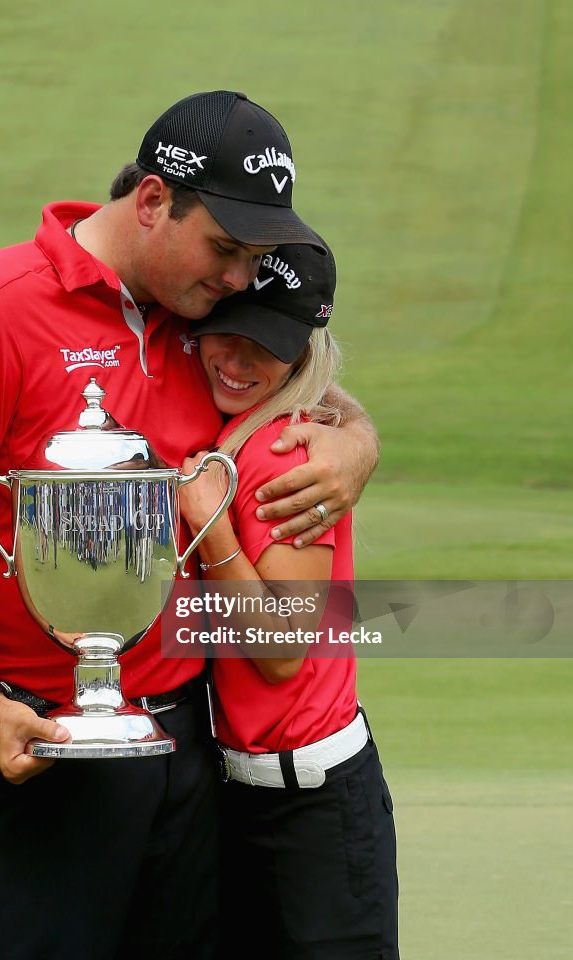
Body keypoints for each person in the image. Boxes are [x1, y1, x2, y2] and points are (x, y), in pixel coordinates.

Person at [0, 90, 380, 960]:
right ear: (152, 201)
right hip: (29, 741)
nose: (236, 281)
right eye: (224, 250)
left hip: (185, 746)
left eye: (252, 258)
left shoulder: (198, 323)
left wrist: (360, 442)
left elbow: (301, 387)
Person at [178, 240, 399, 959]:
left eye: (264, 345)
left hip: (313, 812)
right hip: (236, 795)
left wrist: (211, 531)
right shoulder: (237, 424)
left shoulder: (287, 452)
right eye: (228, 331)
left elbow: (279, 651)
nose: (237, 361)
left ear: (301, 351)